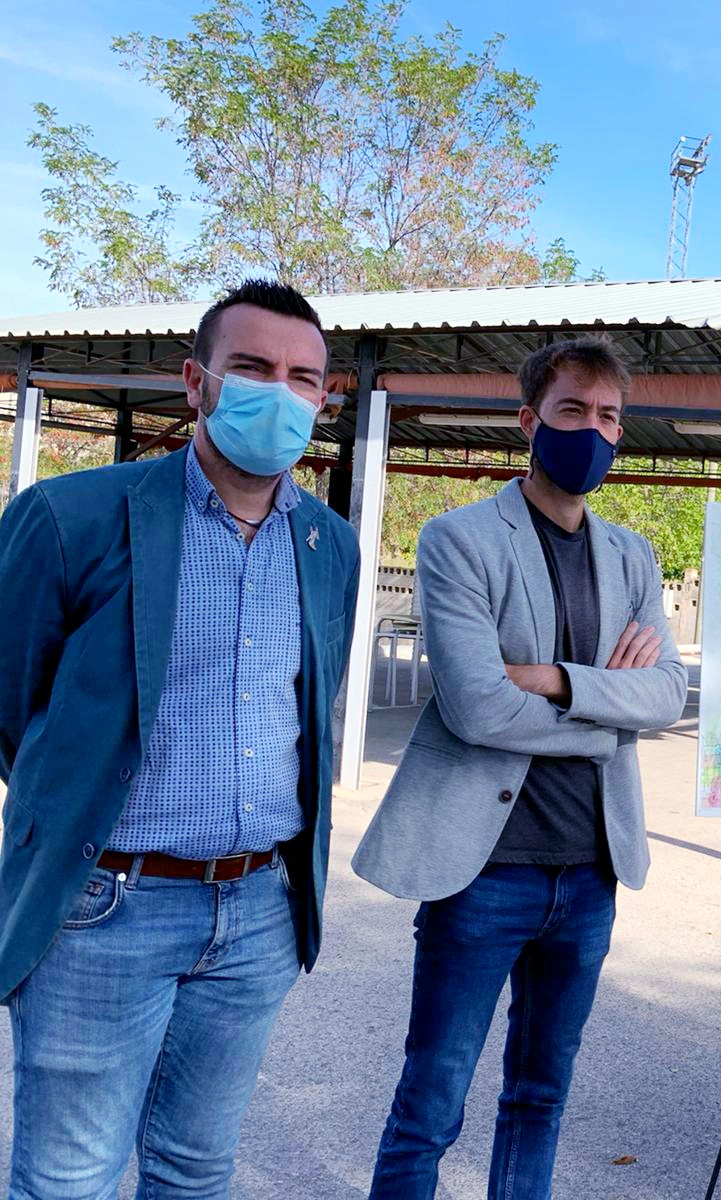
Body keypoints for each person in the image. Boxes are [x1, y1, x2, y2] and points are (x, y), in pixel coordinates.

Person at [0, 279, 360, 1197]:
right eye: (251, 368)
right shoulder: (71, 518)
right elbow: (13, 709)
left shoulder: (330, 543)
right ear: (195, 381)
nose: (278, 393)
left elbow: (311, 711)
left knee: (197, 1169)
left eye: (302, 377)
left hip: (253, 916)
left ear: (326, 399)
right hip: (104, 910)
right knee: (69, 1177)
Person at [353, 334, 687, 1200]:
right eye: (571, 410)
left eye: (608, 416)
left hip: (590, 875)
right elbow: (476, 709)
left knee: (540, 1097)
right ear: (528, 420)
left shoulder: (633, 556)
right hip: (483, 873)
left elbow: (666, 697)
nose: (592, 430)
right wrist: (607, 706)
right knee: (431, 1103)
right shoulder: (459, 540)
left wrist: (557, 681)